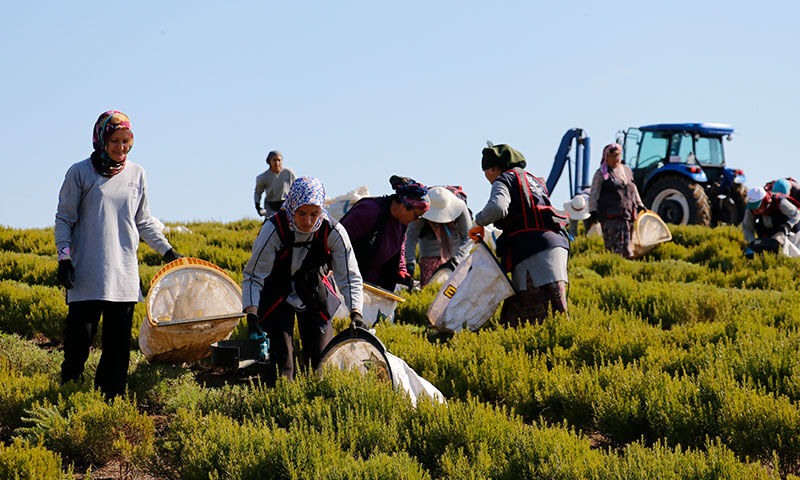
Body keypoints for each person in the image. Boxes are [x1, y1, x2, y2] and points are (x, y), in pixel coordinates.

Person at [55, 110, 183, 398]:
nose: (121, 147)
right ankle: (67, 401)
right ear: (102, 139)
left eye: (127, 141)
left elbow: (144, 221)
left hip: (123, 279)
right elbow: (64, 219)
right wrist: (64, 257)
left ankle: (108, 406)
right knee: (77, 347)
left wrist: (168, 252)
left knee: (117, 355)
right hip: (86, 276)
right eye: (115, 140)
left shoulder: (137, 174)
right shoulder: (79, 172)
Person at [242, 177, 364, 381]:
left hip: (313, 291)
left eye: (314, 214)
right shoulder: (273, 229)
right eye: (301, 214)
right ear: (291, 208)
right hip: (277, 294)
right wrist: (252, 313)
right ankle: (281, 401)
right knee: (282, 365)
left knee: (321, 363)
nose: (308, 221)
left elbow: (350, 275)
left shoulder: (333, 231)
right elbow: (254, 275)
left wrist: (356, 313)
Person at [468, 144, 570, 326]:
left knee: (530, 316)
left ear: (493, 168)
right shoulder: (535, 179)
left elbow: (497, 207)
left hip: (531, 250)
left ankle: (533, 350)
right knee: (557, 311)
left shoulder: (504, 179)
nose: (486, 177)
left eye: (485, 172)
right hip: (556, 247)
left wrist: (479, 222)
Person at [340, 175, 430, 291]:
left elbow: (400, 248)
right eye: (416, 215)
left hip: (373, 287)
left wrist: (401, 270)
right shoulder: (369, 210)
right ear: (403, 206)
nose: (417, 220)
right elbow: (338, 240)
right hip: (347, 282)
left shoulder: (401, 223)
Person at [404, 186, 472, 286]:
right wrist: (410, 261)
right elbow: (411, 235)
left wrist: (458, 259)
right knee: (430, 292)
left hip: (456, 258)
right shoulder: (420, 208)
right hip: (429, 258)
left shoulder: (460, 207)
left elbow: (468, 236)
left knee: (455, 295)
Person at [587, 143, 646, 258]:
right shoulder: (601, 174)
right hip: (610, 217)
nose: (616, 159)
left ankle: (625, 268)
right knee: (613, 250)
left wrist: (640, 204)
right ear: (606, 157)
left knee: (628, 249)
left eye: (618, 155)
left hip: (627, 216)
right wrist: (593, 211)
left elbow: (633, 189)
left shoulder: (627, 170)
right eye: (612, 156)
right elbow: (594, 193)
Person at [742, 186, 800, 258]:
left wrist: (788, 226)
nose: (755, 210)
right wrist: (752, 242)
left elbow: (797, 214)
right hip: (772, 232)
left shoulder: (780, 201)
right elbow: (747, 228)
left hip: (792, 230)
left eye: (757, 206)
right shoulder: (751, 208)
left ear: (764, 201)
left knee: (790, 255)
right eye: (753, 207)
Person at [254, 150, 296, 218]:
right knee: (271, 225)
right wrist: (258, 207)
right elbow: (258, 192)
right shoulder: (263, 177)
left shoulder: (288, 172)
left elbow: (296, 186)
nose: (277, 163)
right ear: (269, 161)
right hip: (271, 206)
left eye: (279, 160)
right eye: (274, 160)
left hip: (286, 204)